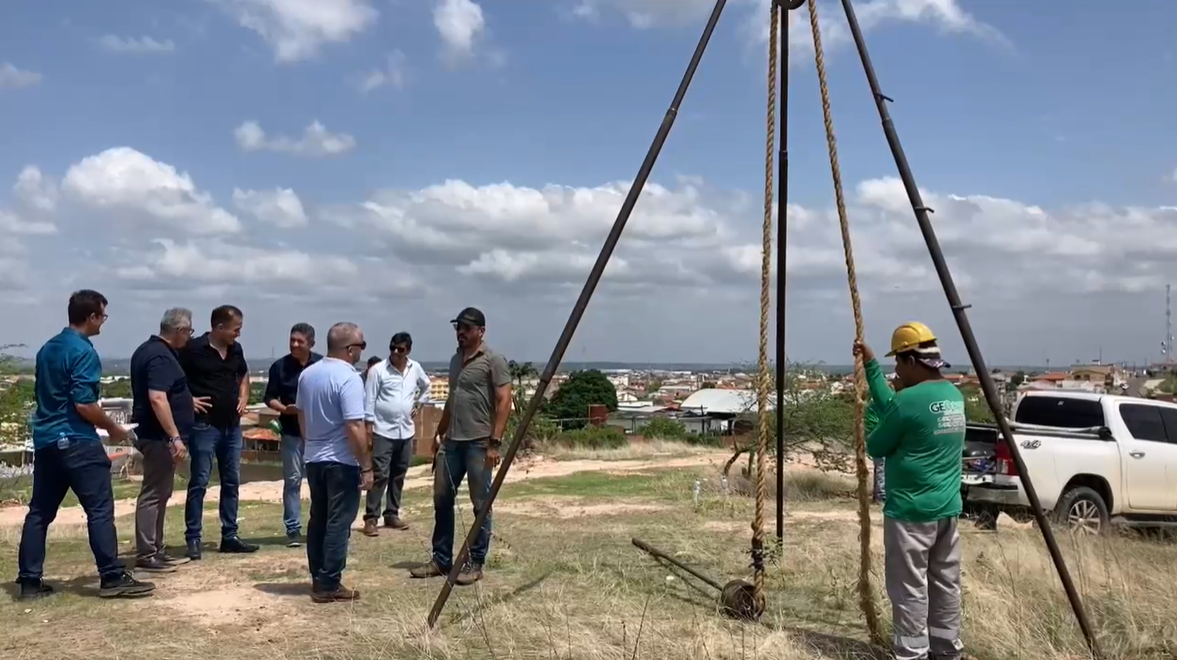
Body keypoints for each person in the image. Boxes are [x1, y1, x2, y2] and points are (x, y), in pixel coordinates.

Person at [16, 290, 155, 599]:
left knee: (39, 513)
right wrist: (114, 428)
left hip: (47, 440)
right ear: (91, 316)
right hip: (77, 440)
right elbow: (84, 404)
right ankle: (111, 575)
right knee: (100, 509)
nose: (103, 322)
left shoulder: (48, 349)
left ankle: (29, 580)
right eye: (102, 316)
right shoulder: (83, 351)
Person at [854, 321, 966, 660]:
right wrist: (871, 364)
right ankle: (947, 651)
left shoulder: (908, 402)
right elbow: (898, 405)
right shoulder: (953, 396)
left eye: (898, 363)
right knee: (946, 584)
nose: (896, 370)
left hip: (910, 515)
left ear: (912, 362)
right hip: (947, 511)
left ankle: (912, 653)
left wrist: (870, 419)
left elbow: (877, 445)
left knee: (909, 589)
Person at [410, 308, 510, 586]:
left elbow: (504, 402)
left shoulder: (493, 360)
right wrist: (438, 434)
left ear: (481, 331)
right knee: (442, 501)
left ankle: (475, 562)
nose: (461, 332)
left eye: (467, 327)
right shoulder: (455, 360)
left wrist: (495, 442)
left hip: (479, 442)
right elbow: (453, 402)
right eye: (458, 327)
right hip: (452, 442)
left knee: (481, 505)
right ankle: (441, 559)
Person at [295, 322, 374, 602]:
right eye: (361, 346)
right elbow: (355, 426)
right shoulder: (349, 377)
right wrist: (366, 465)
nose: (362, 352)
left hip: (314, 457)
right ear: (350, 348)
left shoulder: (308, 374)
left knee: (319, 519)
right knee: (339, 521)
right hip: (340, 460)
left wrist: (311, 443)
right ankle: (329, 582)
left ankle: (319, 576)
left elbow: (301, 415)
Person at [179, 305, 257, 559]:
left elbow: (244, 375)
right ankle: (193, 537)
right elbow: (173, 379)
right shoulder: (192, 349)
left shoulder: (236, 350)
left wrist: (244, 396)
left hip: (231, 426)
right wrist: (188, 399)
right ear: (219, 327)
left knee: (232, 481)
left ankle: (230, 535)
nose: (239, 334)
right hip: (204, 425)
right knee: (200, 482)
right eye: (236, 329)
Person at [130, 308, 202, 573]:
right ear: (180, 330)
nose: (189, 337)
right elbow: (157, 397)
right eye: (189, 332)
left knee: (162, 492)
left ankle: (156, 549)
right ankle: (147, 553)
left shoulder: (149, 350)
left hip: (157, 435)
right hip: (158, 437)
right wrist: (174, 437)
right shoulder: (159, 355)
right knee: (153, 493)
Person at [362, 331, 431, 536]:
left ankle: (391, 513)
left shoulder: (415, 368)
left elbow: (426, 386)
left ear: (408, 350)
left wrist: (420, 403)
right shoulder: (378, 371)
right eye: (392, 347)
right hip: (383, 430)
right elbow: (369, 401)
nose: (395, 352)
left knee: (399, 474)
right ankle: (371, 518)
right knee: (380, 474)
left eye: (400, 349)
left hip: (405, 431)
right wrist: (368, 429)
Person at [264, 323, 321, 548]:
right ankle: (293, 529)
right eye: (292, 340)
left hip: (318, 434)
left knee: (319, 482)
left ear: (311, 344)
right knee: (293, 481)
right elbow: (270, 397)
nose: (295, 345)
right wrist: (284, 409)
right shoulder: (279, 367)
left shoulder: (321, 365)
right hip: (291, 433)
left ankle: (319, 526)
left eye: (300, 341)